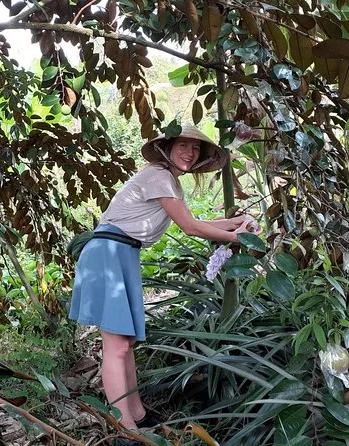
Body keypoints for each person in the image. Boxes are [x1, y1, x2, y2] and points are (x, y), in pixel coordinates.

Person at [68, 124, 259, 443]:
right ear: (166, 149)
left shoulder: (167, 182)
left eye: (195, 148)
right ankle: (124, 428)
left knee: (126, 344)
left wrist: (234, 224)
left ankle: (138, 414)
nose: (190, 152)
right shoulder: (158, 175)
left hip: (121, 253)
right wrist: (239, 237)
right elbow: (190, 228)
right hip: (108, 253)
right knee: (116, 347)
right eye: (183, 145)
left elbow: (192, 222)